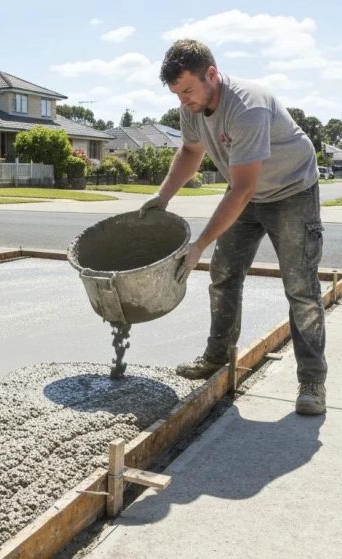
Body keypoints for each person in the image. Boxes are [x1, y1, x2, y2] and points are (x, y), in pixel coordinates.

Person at [138, 39, 327, 415]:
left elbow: (242, 189)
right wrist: (162, 198)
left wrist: (200, 244)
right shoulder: (192, 107)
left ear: (212, 74)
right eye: (177, 93)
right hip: (248, 192)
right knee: (224, 274)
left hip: (292, 191)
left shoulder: (248, 106)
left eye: (187, 90)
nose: (183, 100)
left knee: (300, 287)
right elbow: (191, 152)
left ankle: (312, 382)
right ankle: (216, 357)